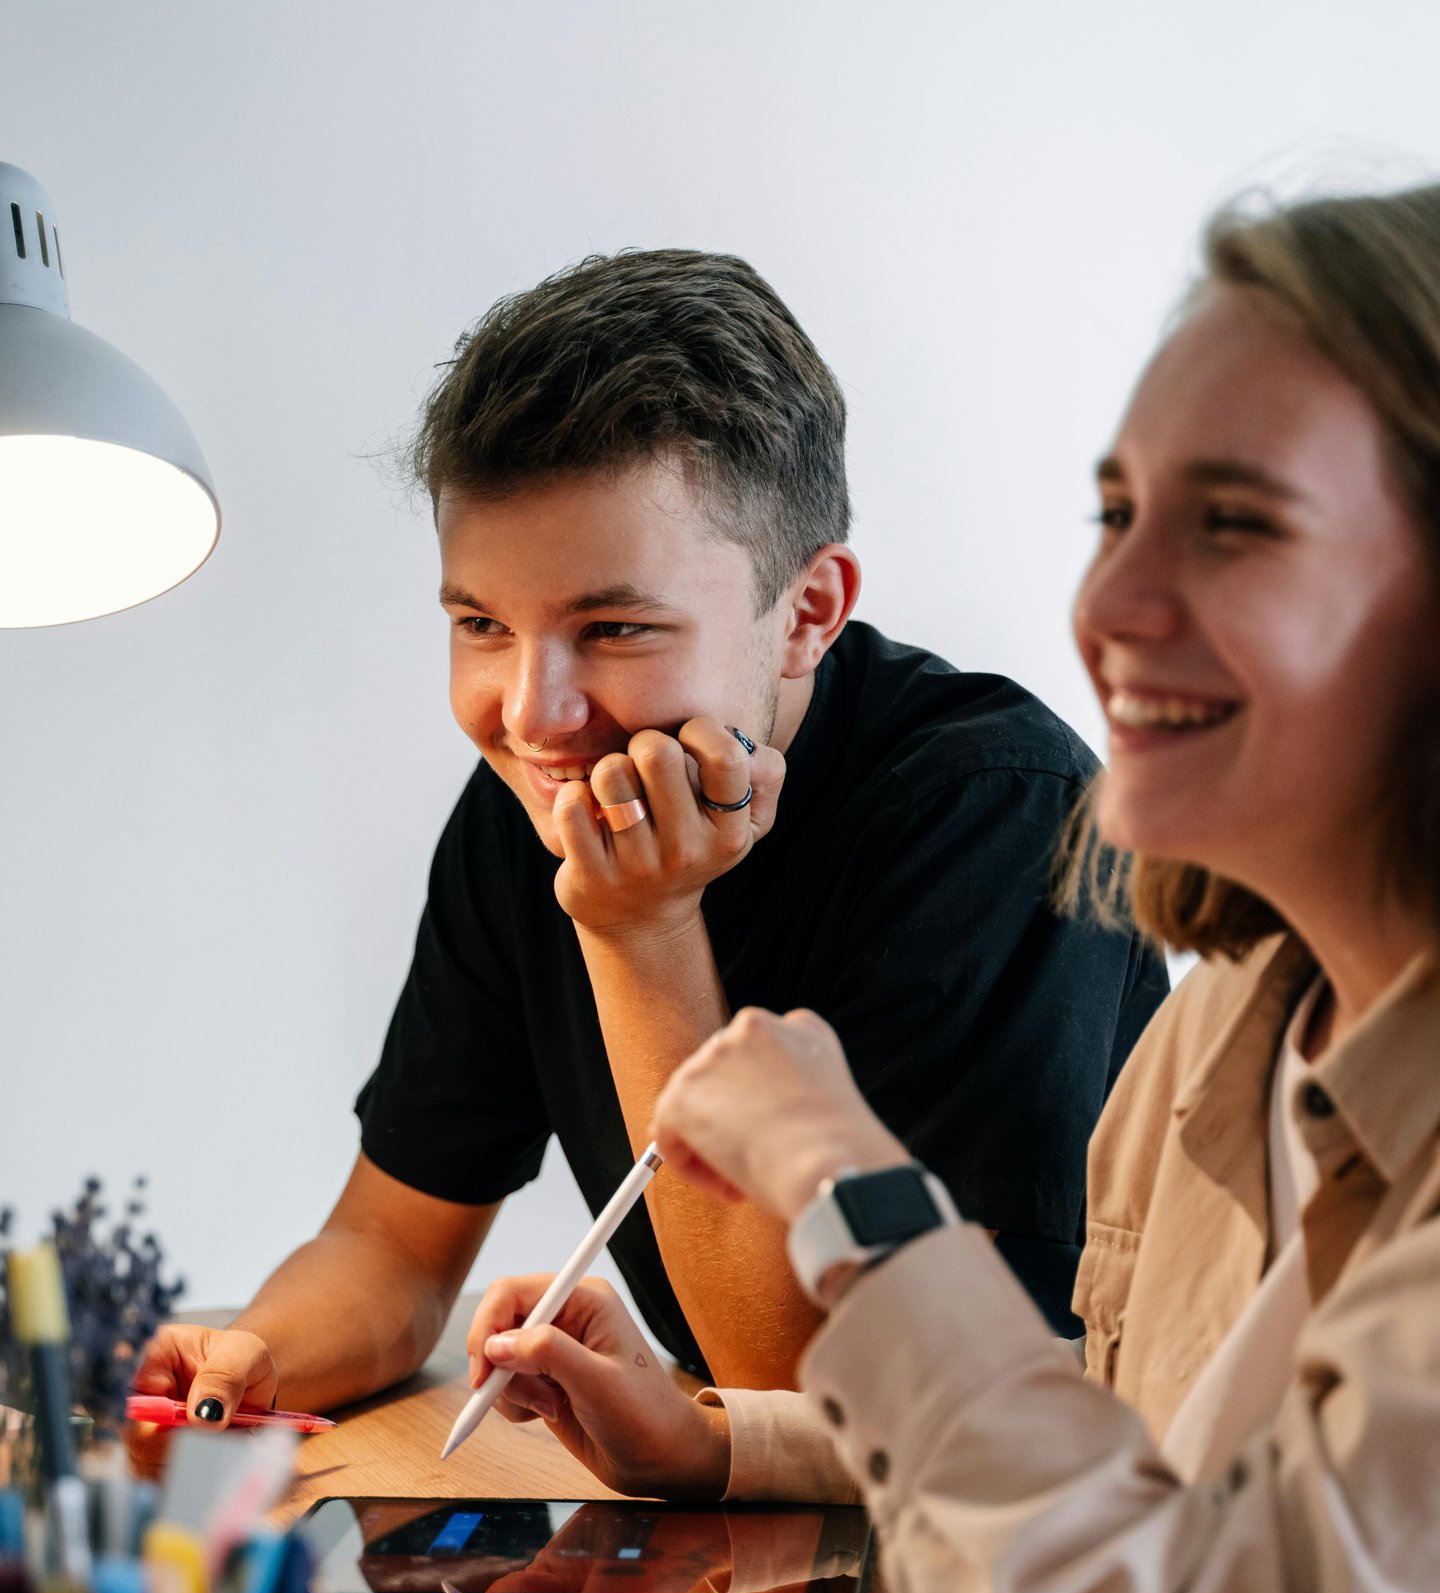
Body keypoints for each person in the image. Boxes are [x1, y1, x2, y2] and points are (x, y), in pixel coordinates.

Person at [469, 184, 1440, 1593]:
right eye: (1117, 514)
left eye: (1238, 523)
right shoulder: (1229, 1026)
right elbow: (1138, 1457)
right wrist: (726, 1446)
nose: (1110, 609)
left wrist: (861, 1194)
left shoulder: (978, 809)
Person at [138, 249, 1163, 1418]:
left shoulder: (1003, 812)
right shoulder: (532, 806)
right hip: (744, 1509)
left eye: (614, 627)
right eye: (481, 622)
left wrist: (642, 934)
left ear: (807, 613)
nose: (531, 714)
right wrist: (255, 1360)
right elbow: (393, 1247)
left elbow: (842, 1407)